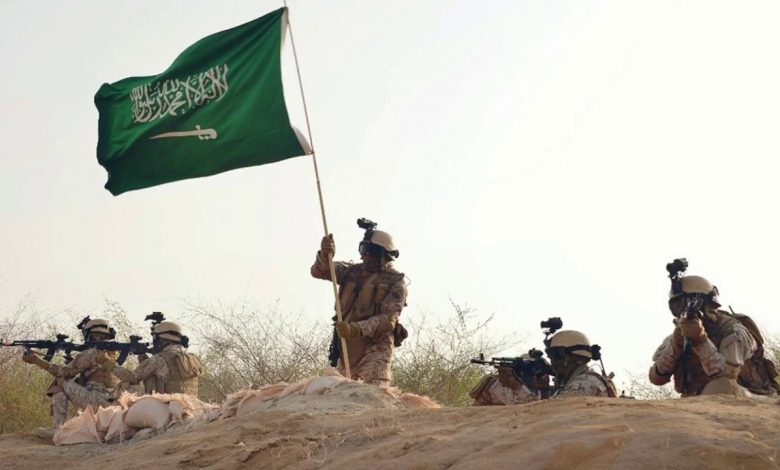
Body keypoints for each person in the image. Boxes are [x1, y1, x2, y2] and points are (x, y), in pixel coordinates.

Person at [649, 267, 779, 397]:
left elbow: (727, 375)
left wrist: (700, 340)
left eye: (686, 303)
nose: (681, 310)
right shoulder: (677, 336)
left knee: (723, 386)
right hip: (698, 401)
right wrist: (676, 345)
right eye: (677, 306)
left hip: (753, 398)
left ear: (708, 303)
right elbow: (656, 378)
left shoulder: (733, 331)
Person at [311, 221, 407, 388]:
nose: (365, 255)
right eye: (363, 249)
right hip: (347, 347)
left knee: (373, 393)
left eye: (371, 251)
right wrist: (325, 255)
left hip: (375, 349)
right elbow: (321, 271)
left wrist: (355, 329)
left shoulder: (395, 283)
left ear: (384, 254)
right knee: (341, 392)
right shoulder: (352, 272)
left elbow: (387, 320)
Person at [21, 318, 119, 438]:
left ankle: (58, 428)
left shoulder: (91, 353)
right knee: (70, 381)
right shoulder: (114, 352)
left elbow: (62, 372)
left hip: (97, 401)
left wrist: (36, 361)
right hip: (113, 402)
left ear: (89, 335)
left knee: (60, 382)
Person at [97, 321, 203, 396]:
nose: (154, 343)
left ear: (163, 341)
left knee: (127, 386)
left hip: (166, 406)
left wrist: (107, 362)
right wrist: (143, 358)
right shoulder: (192, 358)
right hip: (188, 404)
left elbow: (131, 377)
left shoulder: (159, 358)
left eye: (155, 339)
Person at [545, 330, 616, 398]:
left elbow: (559, 405)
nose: (552, 361)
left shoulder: (585, 382)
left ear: (578, 358)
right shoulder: (572, 382)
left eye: (556, 355)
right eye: (551, 356)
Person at [470, 352, 552, 405]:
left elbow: (537, 410)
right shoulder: (496, 386)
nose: (534, 376)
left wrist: (544, 390)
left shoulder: (550, 390)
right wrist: (515, 386)